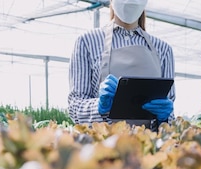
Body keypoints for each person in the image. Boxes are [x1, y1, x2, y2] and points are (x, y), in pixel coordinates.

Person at [68, 0, 175, 128]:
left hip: (148, 145)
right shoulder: (87, 42)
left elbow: (170, 114)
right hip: (102, 144)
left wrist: (165, 118)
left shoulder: (163, 49)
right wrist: (98, 106)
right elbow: (75, 107)